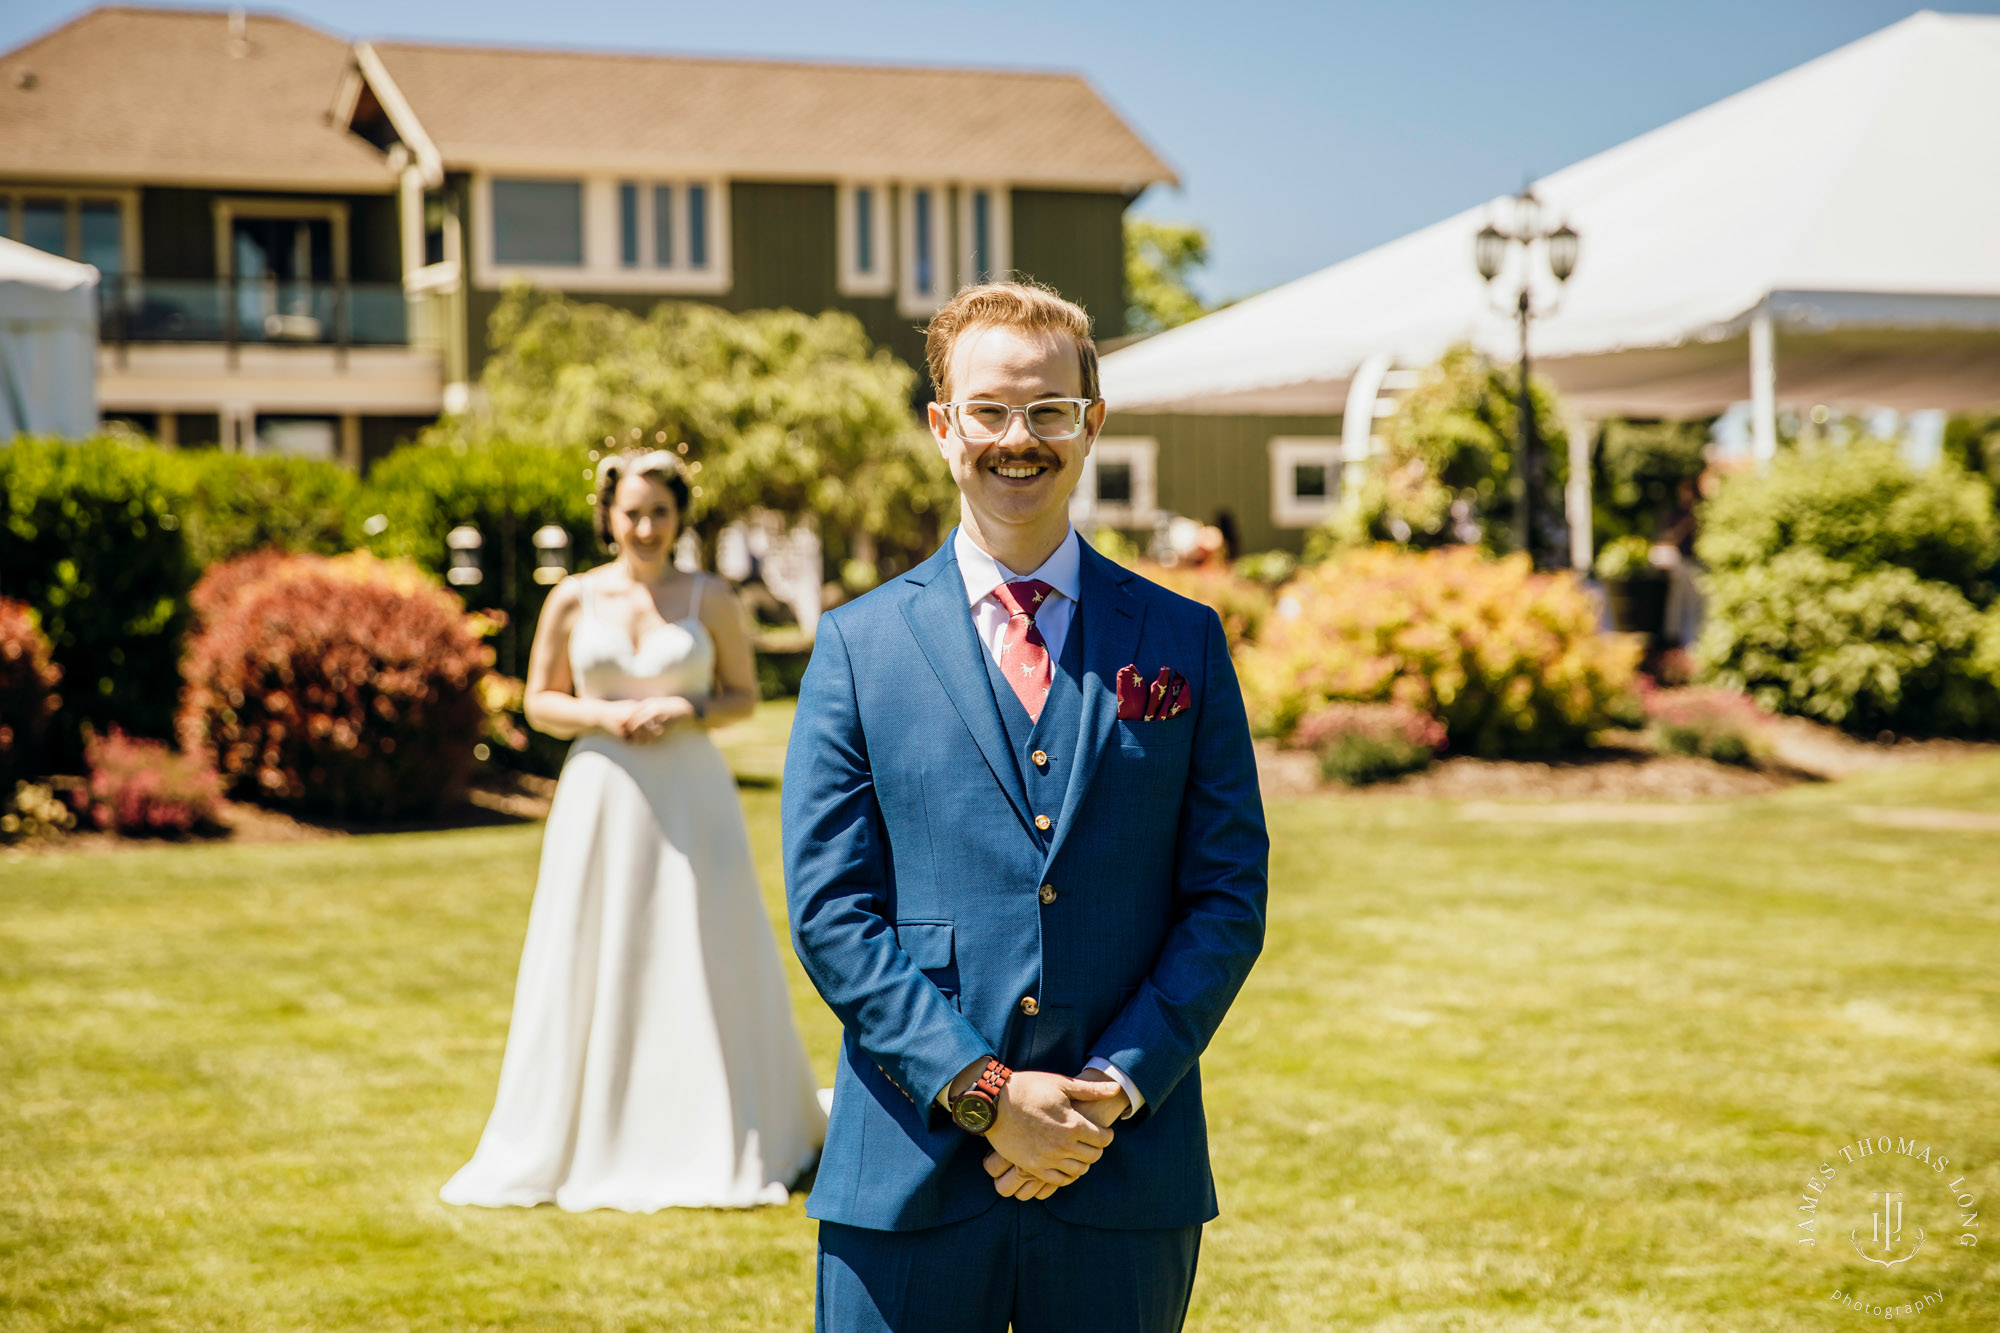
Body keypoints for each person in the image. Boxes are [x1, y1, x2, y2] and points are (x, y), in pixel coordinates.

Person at [783, 282, 1268, 1332]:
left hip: (1120, 1162)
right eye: (991, 410)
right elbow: (831, 913)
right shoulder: (857, 649)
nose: (1019, 438)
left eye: (1048, 410)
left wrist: (1110, 1086)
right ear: (941, 424)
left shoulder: (1181, 643)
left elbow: (1226, 895)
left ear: (1090, 423)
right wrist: (984, 1091)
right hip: (908, 1169)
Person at [442, 449, 824, 1213]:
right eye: (632, 512)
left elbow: (743, 695)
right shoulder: (574, 598)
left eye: (660, 512)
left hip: (693, 795)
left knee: (704, 946)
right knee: (596, 948)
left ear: (680, 517)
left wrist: (687, 709)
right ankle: (595, 1128)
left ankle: (723, 1119)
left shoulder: (711, 595)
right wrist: (603, 716)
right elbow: (540, 700)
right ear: (609, 516)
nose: (646, 526)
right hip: (603, 795)